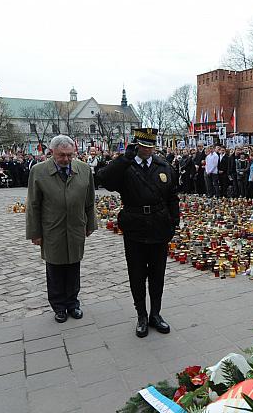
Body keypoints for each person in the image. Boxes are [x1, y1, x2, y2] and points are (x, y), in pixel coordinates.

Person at [96, 127, 179, 337]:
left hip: (159, 226)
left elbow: (172, 197)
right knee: (137, 274)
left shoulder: (163, 166)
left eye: (150, 146)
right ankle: (141, 315)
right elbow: (103, 179)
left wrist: (173, 224)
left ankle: (156, 314)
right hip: (135, 227)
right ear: (136, 144)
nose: (147, 150)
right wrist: (124, 159)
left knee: (158, 274)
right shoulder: (126, 165)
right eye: (143, 146)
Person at [26, 135, 97, 323]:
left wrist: (90, 224)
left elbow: (90, 201)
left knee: (74, 265)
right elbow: (33, 204)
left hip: (75, 227)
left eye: (69, 155)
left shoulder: (83, 169)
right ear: (51, 153)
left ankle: (73, 303)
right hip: (52, 229)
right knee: (55, 268)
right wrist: (35, 232)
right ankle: (59, 306)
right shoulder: (39, 171)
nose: (66, 159)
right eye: (61, 155)